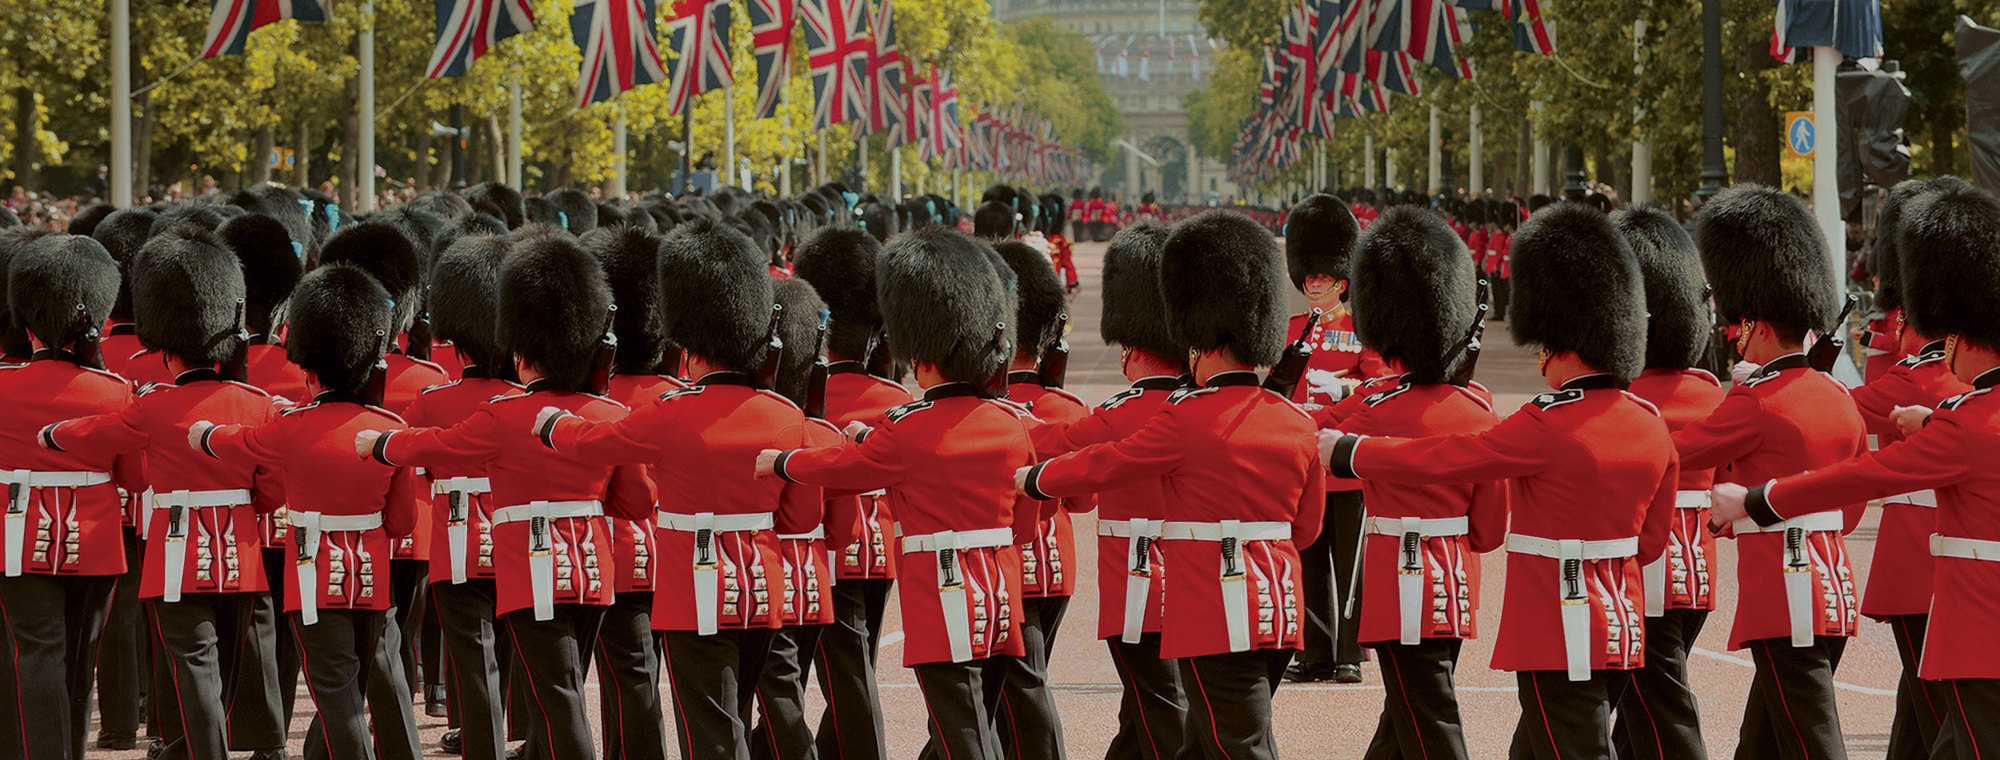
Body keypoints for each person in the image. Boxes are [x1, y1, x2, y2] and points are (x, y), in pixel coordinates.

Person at [1321, 201, 1676, 760]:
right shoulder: (1652, 426)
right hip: (1623, 623)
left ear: (1559, 344)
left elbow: (1449, 459)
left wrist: (1353, 452)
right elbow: (1651, 544)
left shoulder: (1545, 423)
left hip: (1556, 625)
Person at [1019, 211, 1326, 760]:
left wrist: (1036, 480)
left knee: (1231, 742)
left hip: (1212, 605)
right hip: (1279, 602)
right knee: (1199, 737)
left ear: (1199, 342)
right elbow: (1307, 529)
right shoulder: (1296, 420)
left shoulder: (1187, 417)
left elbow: (1107, 463)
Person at [1711, 180, 2000, 759]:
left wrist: (1758, 499)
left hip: (1977, 625)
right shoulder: (1961, 414)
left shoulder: (1968, 422)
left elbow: (1866, 476)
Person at [358, 234, 655, 760]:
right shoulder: (608, 414)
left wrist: (381, 443)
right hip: (592, 566)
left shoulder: (499, 413)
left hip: (522, 561)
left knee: (551, 693)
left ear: (523, 350)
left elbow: (435, 448)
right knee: (560, 691)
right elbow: (634, 502)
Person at [532, 218, 816, 760]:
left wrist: (549, 422)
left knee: (710, 729)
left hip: (695, 588)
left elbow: (595, 441)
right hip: (762, 587)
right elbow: (800, 518)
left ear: (688, 344)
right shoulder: (785, 415)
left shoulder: (672, 415)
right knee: (736, 717)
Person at [758, 227, 1042, 760]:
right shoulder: (1010, 424)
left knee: (961, 728)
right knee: (977, 720)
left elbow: (849, 468)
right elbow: (1025, 524)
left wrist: (783, 463)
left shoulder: (909, 426)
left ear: (925, 357)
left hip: (940, 588)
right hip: (1001, 590)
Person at [39, 224, 288, 760]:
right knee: (224, 666)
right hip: (241, 554)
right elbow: (271, 491)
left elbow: (105, 441)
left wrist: (54, 434)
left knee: (194, 662)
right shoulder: (256, 404)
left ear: (167, 346)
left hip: (174, 551)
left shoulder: (153, 404)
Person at [188, 260, 420, 760]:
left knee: (337, 693)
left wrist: (203, 434)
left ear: (310, 369)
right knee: (358, 686)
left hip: (313, 574)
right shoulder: (389, 427)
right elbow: (403, 523)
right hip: (372, 575)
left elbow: (240, 442)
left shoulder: (291, 425)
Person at [1674, 185, 1865, 760]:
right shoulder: (1837, 394)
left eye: (1737, 326)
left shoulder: (1757, 401)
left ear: (1755, 326)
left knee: (1812, 743)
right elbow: (1849, 508)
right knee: (1760, 743)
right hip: (1832, 583)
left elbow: (1672, 451)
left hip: (1787, 591)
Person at [1331, 207, 1505, 760]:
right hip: (1455, 581)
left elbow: (1312, 445)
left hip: (1396, 582)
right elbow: (1490, 530)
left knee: (1427, 716)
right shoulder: (1478, 410)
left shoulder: (1376, 407)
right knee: (1404, 717)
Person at [1026, 223, 1189, 759]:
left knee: (1163, 714)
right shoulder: (1205, 410)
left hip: (1141, 585)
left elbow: (1054, 444)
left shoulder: (1123, 413)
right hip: (1207, 581)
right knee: (1140, 719)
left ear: (1134, 349)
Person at [1843, 177, 1979, 760]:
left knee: (1940, 716)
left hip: (1923, 565)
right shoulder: (1955, 379)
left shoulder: (1925, 378)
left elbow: (1841, 418)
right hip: (1947, 566)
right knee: (1923, 709)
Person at [0, 233, 145, 760]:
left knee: (35, 652)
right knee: (80, 659)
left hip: (16, 535)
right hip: (97, 538)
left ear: (29, 323)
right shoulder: (114, 391)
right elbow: (135, 478)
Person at [396, 233, 522, 760]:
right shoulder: (523, 402)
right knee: (520, 649)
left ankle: (481, 742)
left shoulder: (434, 401)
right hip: (521, 538)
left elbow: (406, 457)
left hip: (457, 541)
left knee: (472, 654)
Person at [1607, 205, 1726, 760]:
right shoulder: (1711, 393)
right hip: (1696, 570)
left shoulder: (1624, 405)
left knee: (1662, 716)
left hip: (1641, 568)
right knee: (1636, 722)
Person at [788, 227, 909, 760]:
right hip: (877, 550)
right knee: (853, 674)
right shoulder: (894, 397)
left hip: (814, 548)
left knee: (826, 677)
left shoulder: (793, 400)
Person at [567, 223, 676, 760]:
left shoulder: (595, 401)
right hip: (677, 556)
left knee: (606, 676)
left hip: (609, 553)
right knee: (643, 675)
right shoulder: (681, 396)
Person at [1280, 194, 1387, 685]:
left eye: (1321, 278)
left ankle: (1350, 654)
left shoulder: (1361, 330)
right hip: (1303, 460)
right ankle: (1316, 653)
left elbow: (1379, 386)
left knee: (1351, 564)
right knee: (1310, 560)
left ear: (1341, 281)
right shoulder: (1292, 330)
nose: (1314, 284)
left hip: (1343, 460)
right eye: (1308, 278)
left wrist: (1337, 396)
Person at [992, 238, 1079, 760]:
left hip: (1000, 566)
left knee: (1015, 688)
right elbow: (1085, 500)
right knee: (1011, 686)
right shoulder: (1063, 408)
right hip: (1054, 568)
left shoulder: (980, 411)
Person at [751, 277, 842, 760]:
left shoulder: (764, 425)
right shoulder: (824, 434)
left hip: (767, 579)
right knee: (783, 697)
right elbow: (839, 528)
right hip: (814, 584)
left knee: (779, 700)